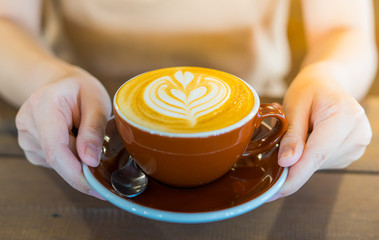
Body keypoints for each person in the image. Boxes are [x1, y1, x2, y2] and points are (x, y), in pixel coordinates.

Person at [0, 0, 376, 201]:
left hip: (252, 109)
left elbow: (344, 29)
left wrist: (327, 78)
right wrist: (49, 78)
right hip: (85, 119)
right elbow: (7, 20)